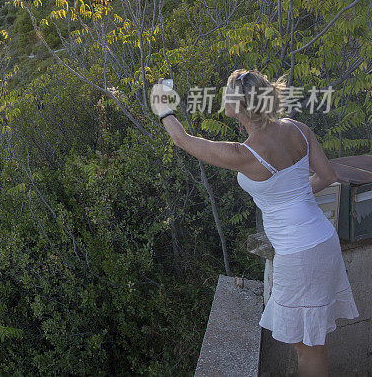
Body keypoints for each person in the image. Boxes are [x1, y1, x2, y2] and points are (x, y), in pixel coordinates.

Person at [152, 69, 359, 377]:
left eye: (227, 93)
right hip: (321, 238)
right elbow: (328, 176)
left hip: (299, 253)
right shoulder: (298, 129)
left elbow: (181, 139)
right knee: (312, 340)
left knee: (305, 346)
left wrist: (162, 105)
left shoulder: (245, 154)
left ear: (241, 106)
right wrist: (290, 198)